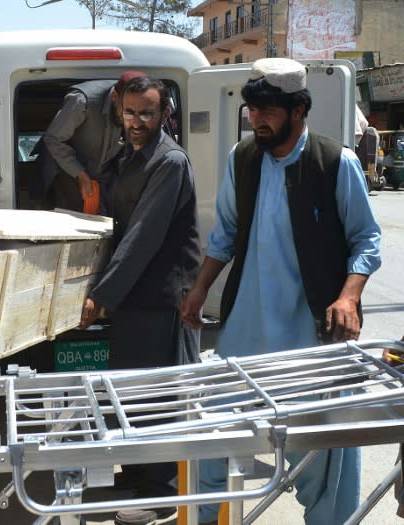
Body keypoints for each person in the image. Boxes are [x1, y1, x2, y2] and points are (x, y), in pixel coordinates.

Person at [179, 57, 382, 525]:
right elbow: (225, 232)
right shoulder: (243, 158)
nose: (257, 119)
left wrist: (348, 296)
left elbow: (366, 239)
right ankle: (209, 517)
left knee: (322, 455)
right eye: (253, 109)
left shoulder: (335, 162)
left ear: (298, 111)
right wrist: (199, 289)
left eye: (268, 110)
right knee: (216, 435)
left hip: (311, 335)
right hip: (245, 333)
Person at [79, 76, 202, 525]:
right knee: (129, 394)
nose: (138, 122)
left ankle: (162, 493)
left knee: (159, 398)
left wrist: (100, 296)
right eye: (130, 113)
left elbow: (142, 238)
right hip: (133, 299)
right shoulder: (125, 157)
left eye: (147, 113)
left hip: (162, 299)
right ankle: (135, 476)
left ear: (164, 113)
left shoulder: (169, 162)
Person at [38, 70, 147, 214]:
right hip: (65, 171)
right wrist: (81, 175)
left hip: (101, 176)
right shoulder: (82, 101)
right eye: (129, 111)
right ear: (115, 97)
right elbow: (53, 139)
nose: (134, 119)